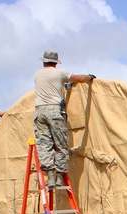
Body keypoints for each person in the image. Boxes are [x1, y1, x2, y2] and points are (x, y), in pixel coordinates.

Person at [33, 50, 96, 188]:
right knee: (61, 143)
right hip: (54, 111)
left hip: (40, 111)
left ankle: (50, 175)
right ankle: (60, 176)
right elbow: (79, 78)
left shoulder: (37, 74)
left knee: (44, 144)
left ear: (44, 61)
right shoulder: (59, 73)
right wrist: (89, 77)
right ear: (55, 63)